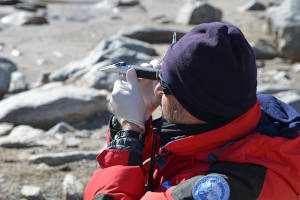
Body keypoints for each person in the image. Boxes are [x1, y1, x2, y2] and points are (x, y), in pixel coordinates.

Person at [84, 22, 300, 200]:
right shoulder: (238, 116)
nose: (158, 89)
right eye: (159, 75)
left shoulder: (218, 188)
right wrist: (140, 127)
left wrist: (129, 130)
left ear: (193, 105)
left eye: (166, 86)